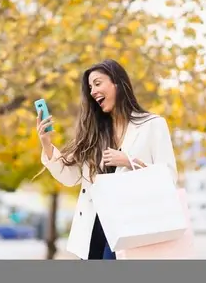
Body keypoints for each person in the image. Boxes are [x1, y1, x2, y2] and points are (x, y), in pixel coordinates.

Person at [36, 59, 178, 260]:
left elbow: (169, 178)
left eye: (97, 83)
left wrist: (129, 161)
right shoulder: (95, 133)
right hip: (96, 228)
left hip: (133, 226)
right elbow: (69, 177)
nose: (93, 91)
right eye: (90, 87)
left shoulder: (152, 125)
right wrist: (46, 143)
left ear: (118, 83)